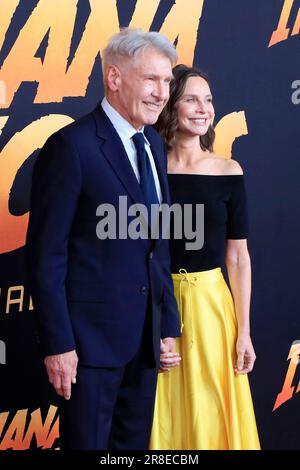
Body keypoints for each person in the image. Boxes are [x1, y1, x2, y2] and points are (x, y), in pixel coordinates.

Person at [26, 28, 181, 450]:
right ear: (114, 78)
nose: (162, 92)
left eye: (167, 82)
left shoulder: (152, 143)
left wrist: (165, 325)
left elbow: (157, 245)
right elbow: (47, 257)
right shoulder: (71, 147)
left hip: (144, 345)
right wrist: (59, 345)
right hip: (89, 350)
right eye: (152, 79)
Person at [150, 65, 260, 450]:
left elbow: (238, 257)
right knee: (163, 414)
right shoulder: (147, 170)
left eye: (209, 100)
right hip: (156, 302)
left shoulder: (228, 170)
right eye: (191, 99)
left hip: (212, 308)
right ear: (170, 107)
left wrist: (243, 330)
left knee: (213, 411)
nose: (204, 109)